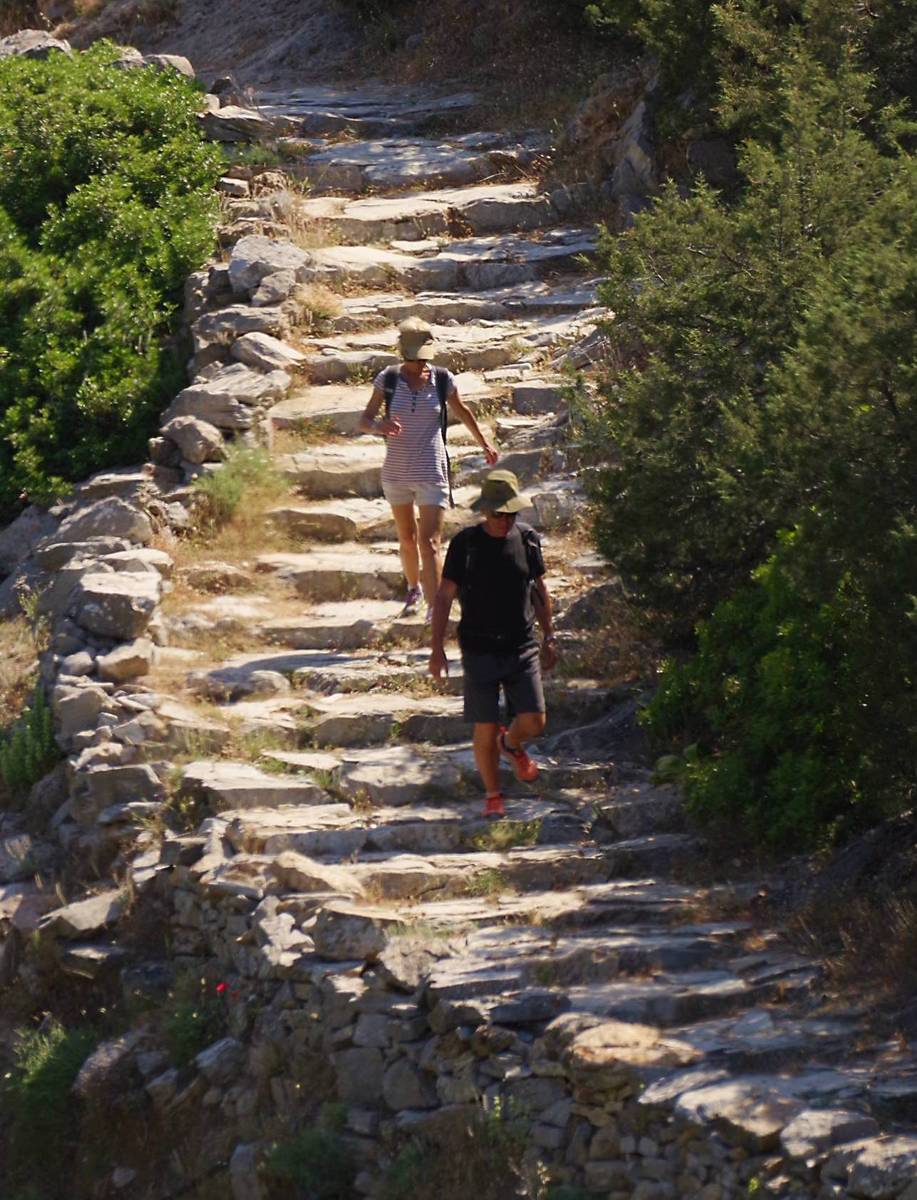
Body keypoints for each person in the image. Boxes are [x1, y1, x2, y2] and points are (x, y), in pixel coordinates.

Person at [429, 469, 558, 817]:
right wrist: (436, 648)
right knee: (484, 724)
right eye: (498, 514)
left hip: (521, 645)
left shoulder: (528, 540)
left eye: (510, 513)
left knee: (535, 721)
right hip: (479, 648)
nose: (504, 520)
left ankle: (510, 743)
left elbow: (539, 591)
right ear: (485, 511)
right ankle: (492, 796)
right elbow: (443, 597)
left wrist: (549, 636)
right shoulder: (465, 544)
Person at [358, 317, 498, 621]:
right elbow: (364, 421)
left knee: (429, 541)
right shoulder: (389, 379)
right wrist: (379, 427)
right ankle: (414, 590)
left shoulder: (443, 379)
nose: (415, 362)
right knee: (407, 538)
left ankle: (437, 606)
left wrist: (484, 443)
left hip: (432, 472)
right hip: (396, 473)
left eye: (419, 356)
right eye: (411, 356)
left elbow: (463, 411)